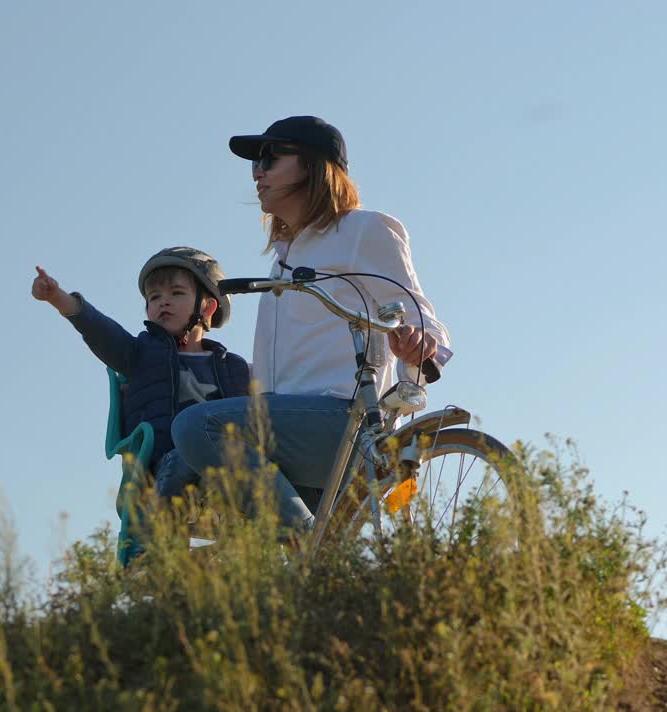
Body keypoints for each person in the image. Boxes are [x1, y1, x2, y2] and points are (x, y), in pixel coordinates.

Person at [171, 116, 451, 535]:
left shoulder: (362, 230)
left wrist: (419, 346)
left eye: (271, 158)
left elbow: (417, 314)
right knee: (176, 461)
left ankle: (303, 542)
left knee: (198, 425)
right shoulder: (282, 260)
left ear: (314, 166)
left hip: (340, 420)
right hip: (291, 427)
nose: (259, 172)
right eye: (254, 165)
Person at [30, 247, 251, 562]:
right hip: (164, 468)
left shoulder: (235, 368)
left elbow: (256, 417)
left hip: (222, 474)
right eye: (153, 296)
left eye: (176, 293)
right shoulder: (141, 354)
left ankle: (247, 552)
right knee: (180, 458)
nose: (163, 301)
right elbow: (98, 330)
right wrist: (58, 297)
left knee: (256, 474)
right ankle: (153, 549)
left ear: (208, 306)